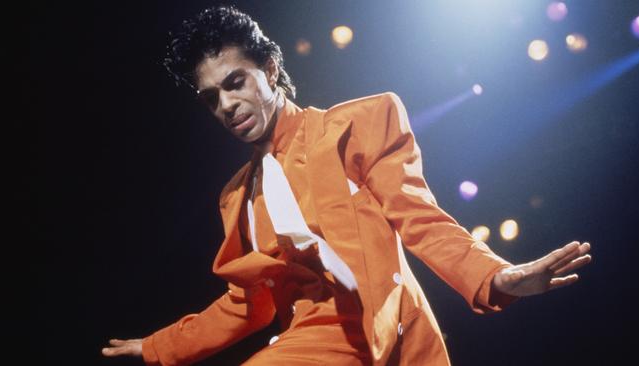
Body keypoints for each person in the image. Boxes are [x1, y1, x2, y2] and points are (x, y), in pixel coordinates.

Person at [102, 5, 592, 365]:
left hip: (394, 341)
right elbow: (248, 303)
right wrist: (156, 345)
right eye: (212, 98)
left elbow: (420, 220)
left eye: (236, 83)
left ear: (270, 70)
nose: (227, 106)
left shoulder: (358, 124)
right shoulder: (237, 198)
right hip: (316, 345)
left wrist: (494, 276)